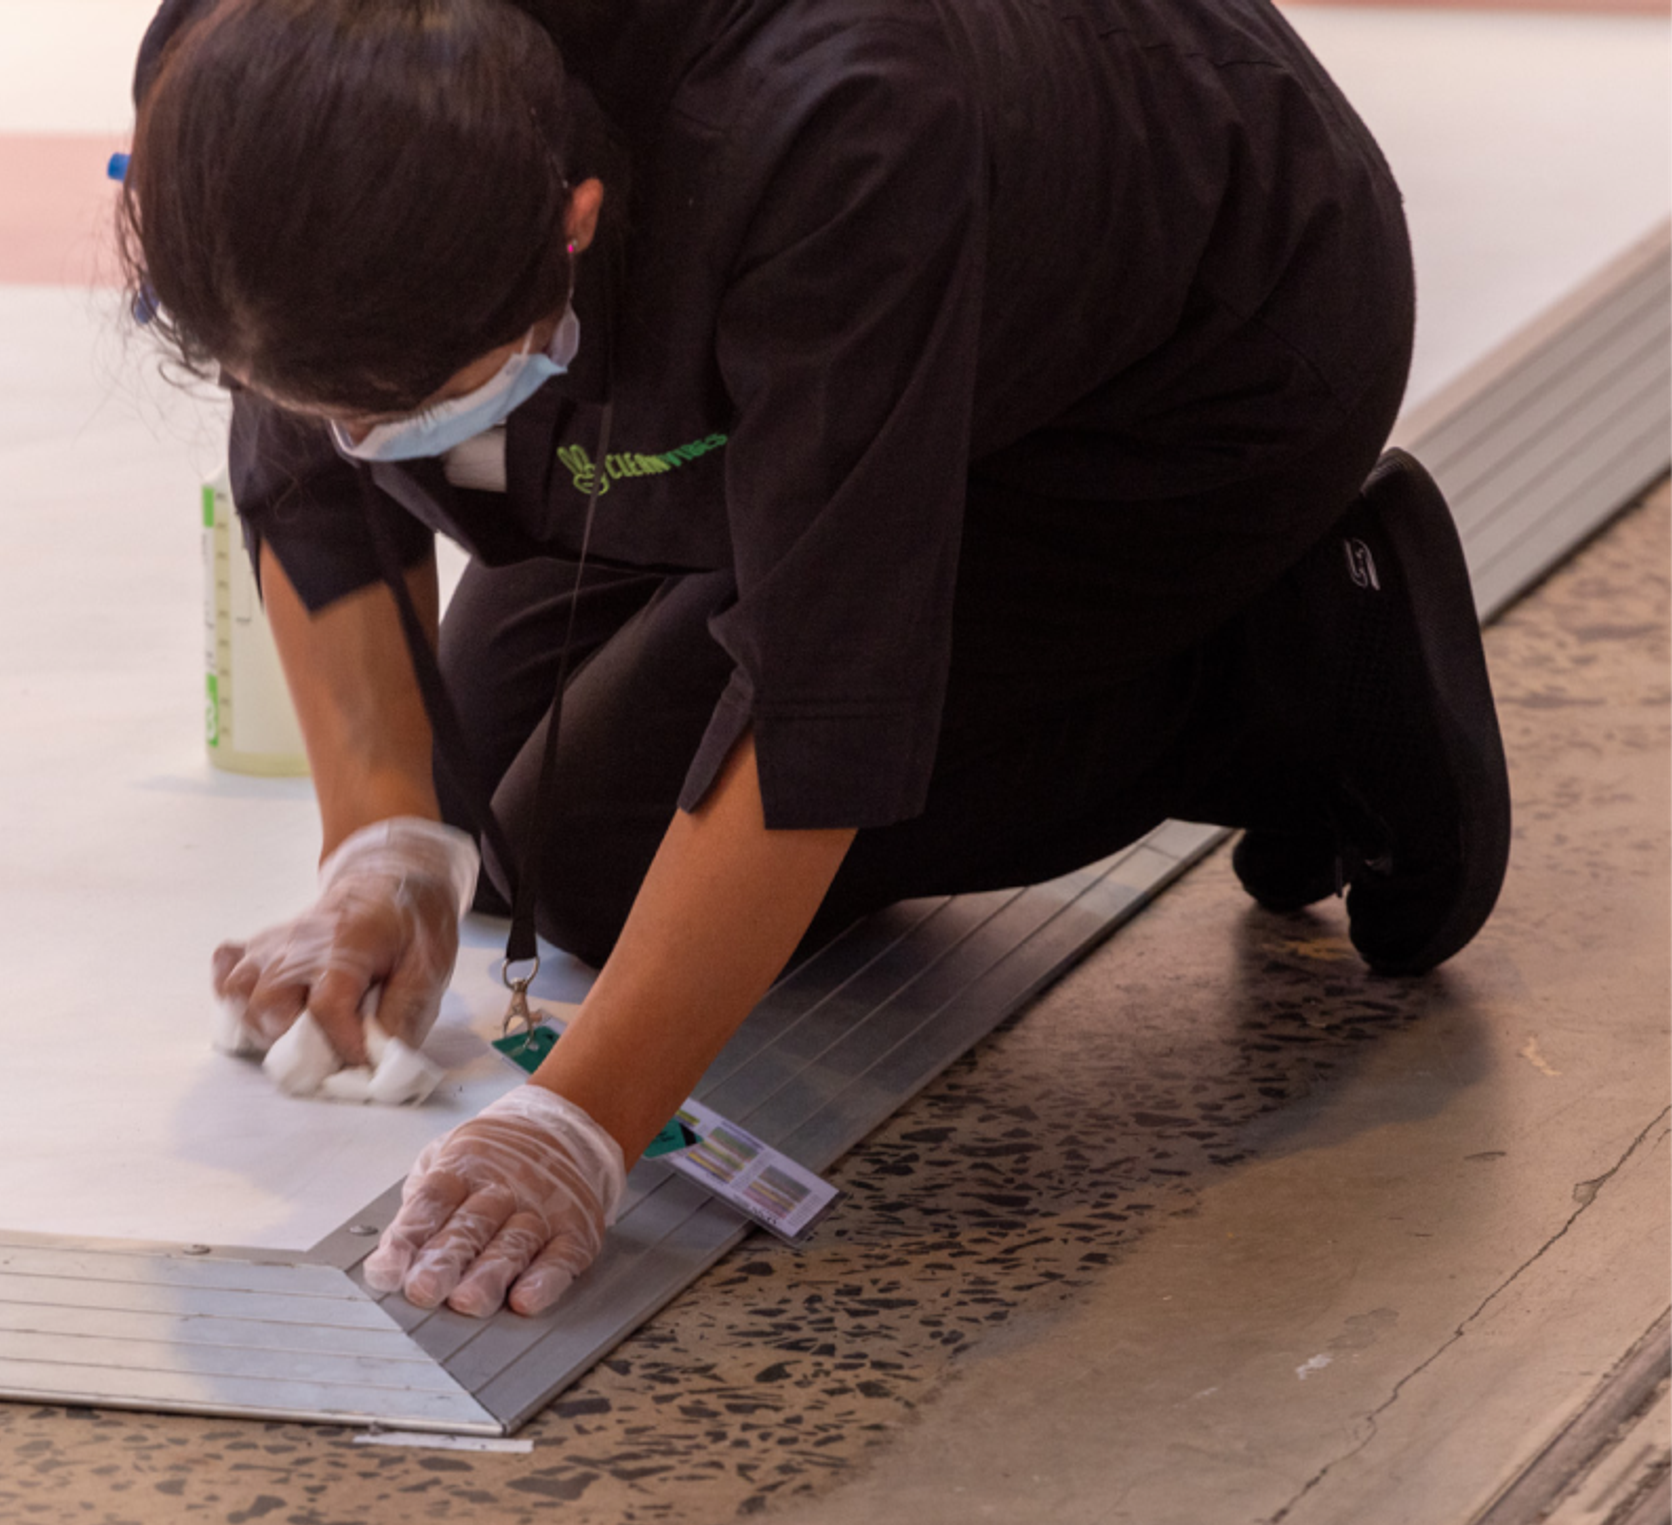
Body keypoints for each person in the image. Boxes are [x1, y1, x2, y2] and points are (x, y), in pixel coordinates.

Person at [120, 0, 1510, 1322]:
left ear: (572, 224)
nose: (364, 443)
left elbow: (818, 690)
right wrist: (382, 838)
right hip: (846, 304)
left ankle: (1297, 656)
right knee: (488, 777)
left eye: (403, 406)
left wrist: (576, 1123)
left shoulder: (832, 115)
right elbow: (301, 438)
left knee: (601, 838)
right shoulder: (258, 55)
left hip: (1170, 373)